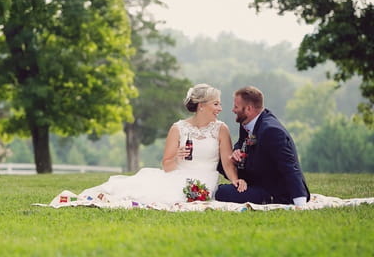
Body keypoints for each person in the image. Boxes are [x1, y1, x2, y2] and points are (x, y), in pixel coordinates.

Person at [60, 83, 246, 206]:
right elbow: (166, 166)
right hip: (178, 175)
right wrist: (177, 157)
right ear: (201, 105)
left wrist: (234, 180)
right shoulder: (178, 128)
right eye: (216, 104)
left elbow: (227, 162)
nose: (220, 109)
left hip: (205, 178)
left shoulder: (221, 129)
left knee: (179, 198)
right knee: (152, 195)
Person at [215, 86, 310, 206]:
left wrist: (300, 203)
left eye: (236, 107)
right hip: (255, 176)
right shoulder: (247, 121)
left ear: (249, 109)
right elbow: (241, 142)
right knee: (221, 159)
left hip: (274, 191)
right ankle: (239, 184)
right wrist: (237, 151)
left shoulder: (272, 131)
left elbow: (290, 167)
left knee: (221, 192)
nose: (233, 110)